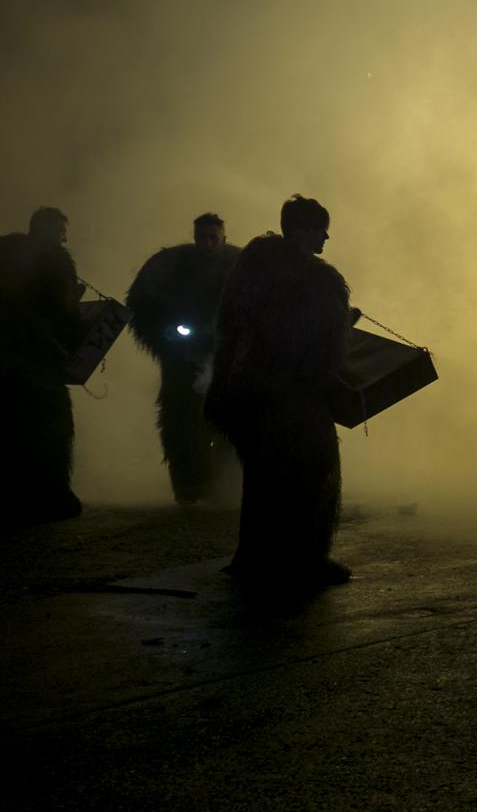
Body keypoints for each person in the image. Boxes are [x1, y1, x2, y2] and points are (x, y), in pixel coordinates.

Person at [205, 195, 354, 592]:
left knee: (264, 479)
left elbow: (234, 327)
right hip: (296, 396)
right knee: (308, 475)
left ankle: (258, 557)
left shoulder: (251, 269)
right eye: (320, 229)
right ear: (303, 231)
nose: (326, 237)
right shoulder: (317, 279)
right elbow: (318, 343)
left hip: (252, 393)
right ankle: (304, 560)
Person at [126, 212, 241, 505]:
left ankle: (228, 487)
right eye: (203, 237)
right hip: (182, 359)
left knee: (231, 428)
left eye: (213, 237)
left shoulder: (240, 265)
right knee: (183, 427)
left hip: (227, 360)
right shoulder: (171, 264)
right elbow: (143, 308)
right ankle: (190, 490)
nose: (208, 243)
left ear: (223, 238)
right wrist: (169, 341)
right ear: (195, 237)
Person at [0, 207, 85, 523]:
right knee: (51, 428)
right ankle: (50, 496)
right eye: (62, 232)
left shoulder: (6, 250)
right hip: (39, 361)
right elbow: (64, 310)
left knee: (10, 427)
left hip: (7, 361)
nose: (65, 239)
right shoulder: (56, 261)